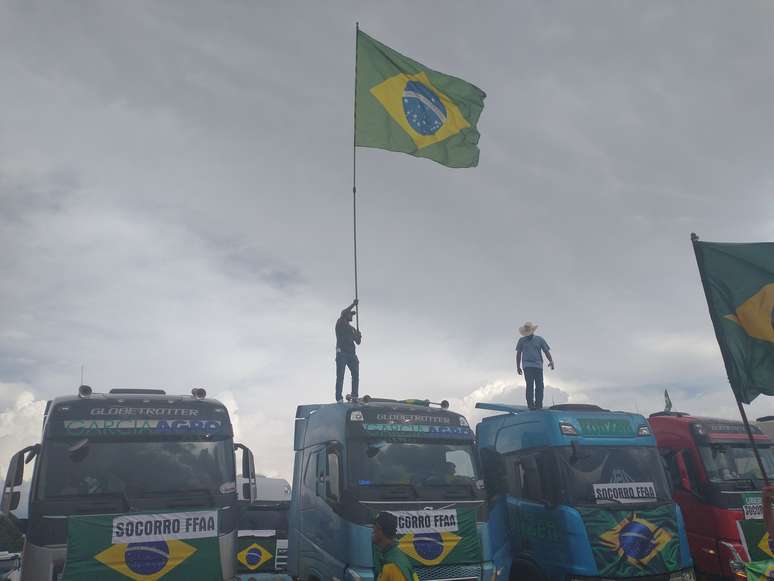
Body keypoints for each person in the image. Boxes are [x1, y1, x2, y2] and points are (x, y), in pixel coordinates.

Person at [516, 321, 554, 410]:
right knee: (530, 385)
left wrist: (551, 361)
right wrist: (518, 366)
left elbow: (546, 351)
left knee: (540, 385)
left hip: (538, 365)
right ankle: (531, 405)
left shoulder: (539, 339)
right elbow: (518, 354)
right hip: (527, 365)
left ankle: (538, 405)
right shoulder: (521, 341)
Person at [372, 512, 419, 581]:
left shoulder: (393, 565)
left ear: (380, 530)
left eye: (374, 528)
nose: (372, 531)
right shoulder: (389, 556)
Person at [335, 299, 362, 403]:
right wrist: (353, 305)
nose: (352, 316)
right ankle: (339, 398)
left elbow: (358, 342)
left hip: (352, 354)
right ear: (346, 315)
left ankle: (354, 396)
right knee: (340, 376)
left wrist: (359, 335)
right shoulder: (340, 322)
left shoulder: (352, 329)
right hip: (342, 353)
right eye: (351, 314)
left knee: (356, 375)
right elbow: (343, 313)